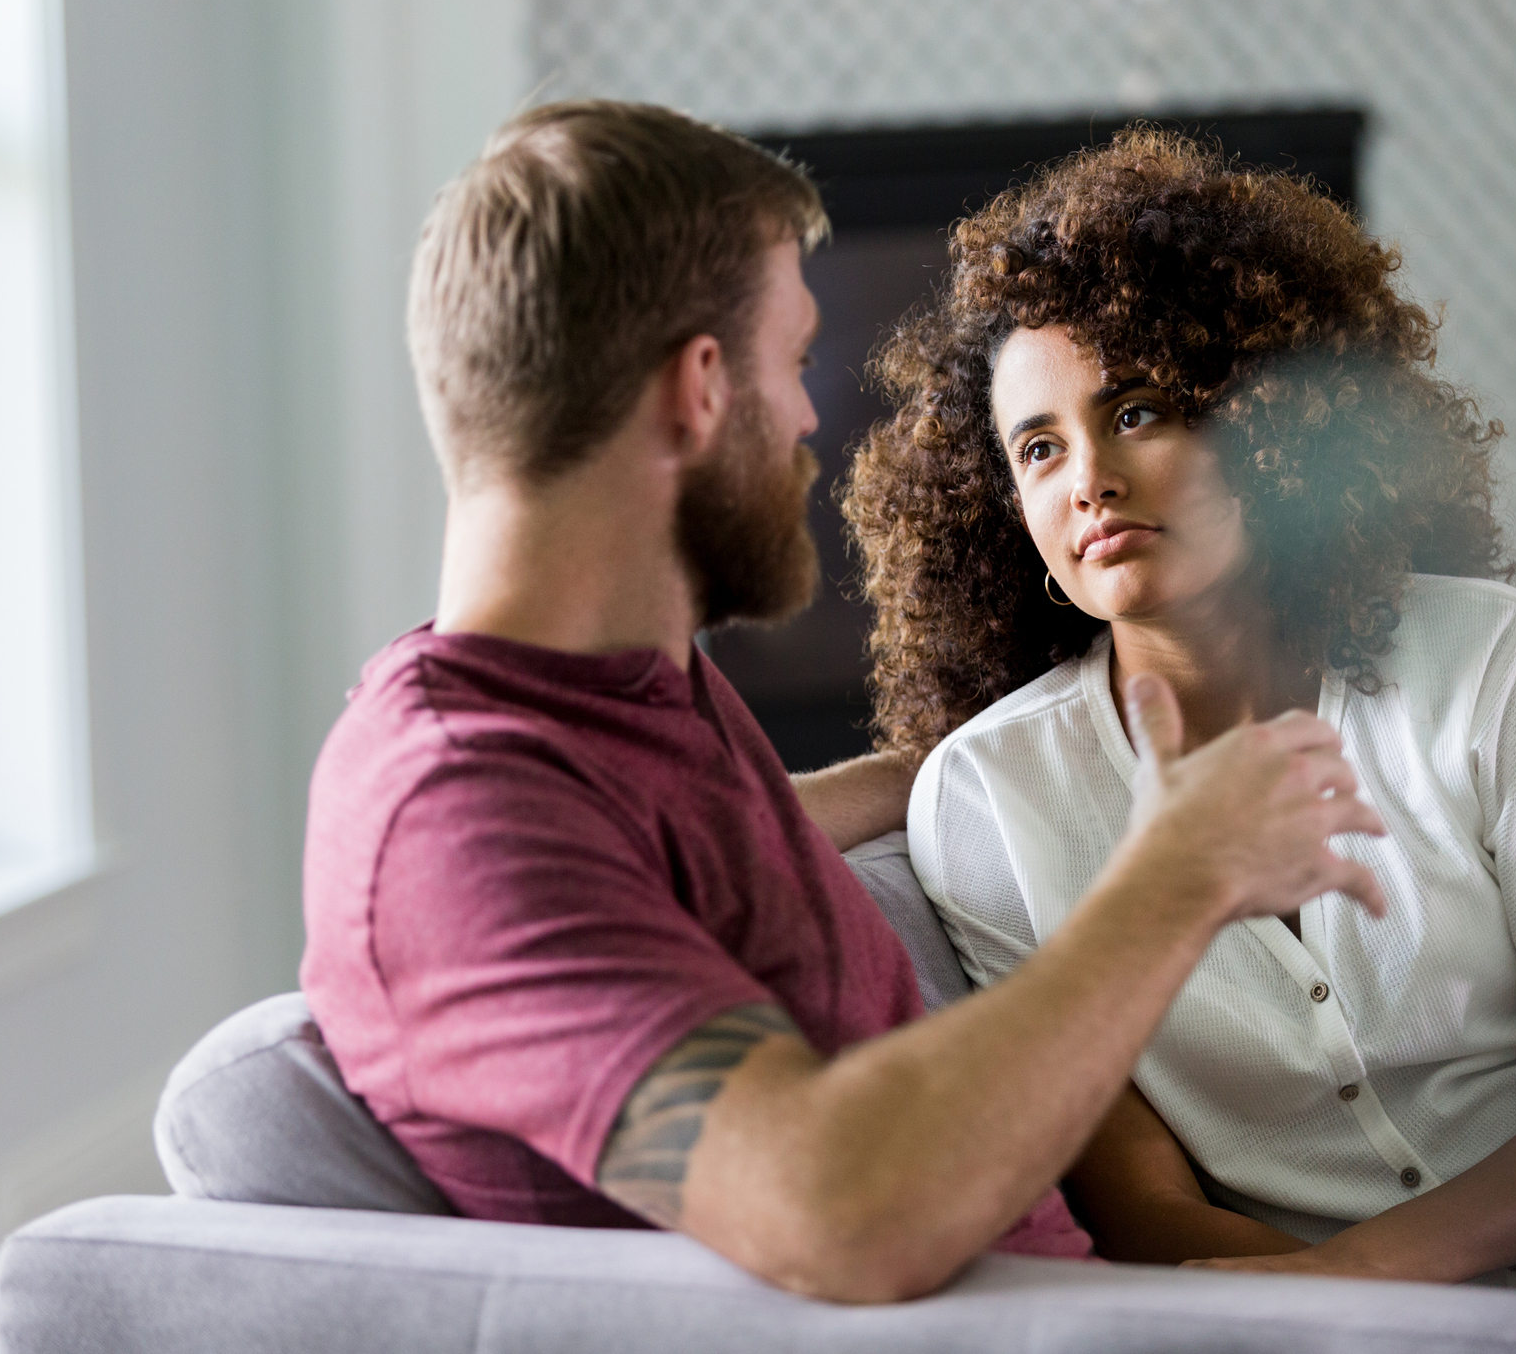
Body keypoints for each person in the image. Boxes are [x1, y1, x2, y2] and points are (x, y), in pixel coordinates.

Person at [298, 101, 1392, 1304]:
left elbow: (693, 847)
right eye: (796, 358)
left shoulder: (612, 698)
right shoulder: (453, 815)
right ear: (702, 387)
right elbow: (833, 1209)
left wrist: (970, 760)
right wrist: (1178, 875)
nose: (816, 418)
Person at [843, 127, 1516, 1344]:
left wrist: (1373, 1277)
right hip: (1331, 1314)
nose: (1089, 478)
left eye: (1138, 409)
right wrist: (1372, 1315)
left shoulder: (1484, 657)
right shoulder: (986, 804)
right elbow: (1139, 1201)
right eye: (1039, 447)